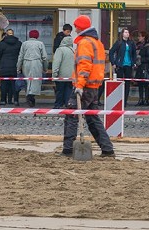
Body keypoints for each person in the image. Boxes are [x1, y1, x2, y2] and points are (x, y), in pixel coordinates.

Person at [61, 15, 115, 158]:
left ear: (81, 27)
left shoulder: (85, 43)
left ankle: (67, 150)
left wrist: (79, 85)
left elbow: (84, 66)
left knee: (72, 115)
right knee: (92, 118)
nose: (75, 29)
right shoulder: (97, 42)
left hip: (84, 86)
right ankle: (107, 149)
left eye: (77, 26)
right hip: (94, 86)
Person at [17, 29, 47, 107]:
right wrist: (45, 68)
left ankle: (28, 95)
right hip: (37, 62)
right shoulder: (40, 44)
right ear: (37, 36)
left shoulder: (24, 44)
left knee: (27, 81)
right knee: (35, 81)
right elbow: (44, 57)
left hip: (26, 63)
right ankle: (32, 96)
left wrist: (18, 67)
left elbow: (20, 57)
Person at [108, 28, 136, 105]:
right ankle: (119, 100)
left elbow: (134, 53)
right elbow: (111, 52)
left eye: (128, 32)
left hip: (129, 65)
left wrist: (134, 62)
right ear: (122, 34)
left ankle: (125, 101)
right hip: (120, 65)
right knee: (120, 83)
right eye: (125, 32)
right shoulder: (119, 42)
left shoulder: (131, 43)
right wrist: (113, 63)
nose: (127, 33)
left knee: (127, 83)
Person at [0, 28, 22, 105]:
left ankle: (3, 100)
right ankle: (14, 100)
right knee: (14, 84)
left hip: (4, 66)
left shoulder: (1, 44)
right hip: (15, 66)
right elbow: (21, 54)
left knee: (4, 84)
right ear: (13, 34)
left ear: (6, 34)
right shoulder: (19, 43)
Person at [52, 34, 74, 108]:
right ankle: (68, 105)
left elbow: (56, 63)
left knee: (59, 91)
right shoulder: (73, 51)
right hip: (71, 76)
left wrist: (54, 74)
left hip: (61, 76)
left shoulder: (60, 50)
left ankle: (58, 105)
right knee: (68, 92)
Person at [134, 31, 149, 106]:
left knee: (145, 84)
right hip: (139, 67)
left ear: (143, 37)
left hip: (145, 67)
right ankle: (141, 99)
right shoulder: (139, 45)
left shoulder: (148, 46)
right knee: (140, 84)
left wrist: (139, 59)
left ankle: (146, 100)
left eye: (140, 36)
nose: (138, 38)